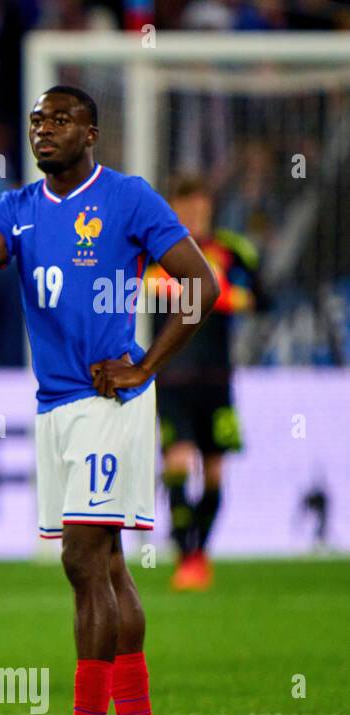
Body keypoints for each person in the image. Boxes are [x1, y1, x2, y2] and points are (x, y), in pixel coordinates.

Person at [0, 86, 218, 715]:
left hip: (109, 403)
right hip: (54, 408)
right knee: (106, 565)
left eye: (62, 119)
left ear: (92, 133)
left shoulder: (127, 197)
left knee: (79, 559)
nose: (45, 130)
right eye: (38, 119)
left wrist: (145, 366)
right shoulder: (14, 209)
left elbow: (201, 284)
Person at [147, 178, 256, 591]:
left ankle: (199, 552)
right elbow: (124, 291)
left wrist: (225, 296)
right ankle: (183, 552)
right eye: (184, 210)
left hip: (217, 379)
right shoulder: (156, 252)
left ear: (209, 209)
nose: (192, 217)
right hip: (171, 376)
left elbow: (262, 297)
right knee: (177, 460)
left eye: (199, 210)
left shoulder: (231, 252)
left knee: (213, 472)